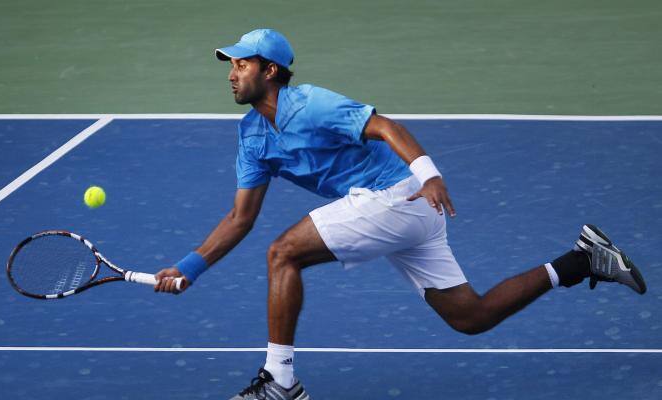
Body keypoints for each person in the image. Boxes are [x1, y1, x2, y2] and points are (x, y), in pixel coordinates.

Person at [154, 29, 647, 400]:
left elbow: (384, 126)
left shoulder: (311, 105)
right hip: (401, 210)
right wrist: (189, 267)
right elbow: (240, 217)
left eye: (240, 63)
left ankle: (280, 381)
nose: (231, 73)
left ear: (270, 70)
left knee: (283, 253)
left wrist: (429, 174)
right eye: (230, 64)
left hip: (396, 194)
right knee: (470, 316)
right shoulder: (251, 137)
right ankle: (581, 260)